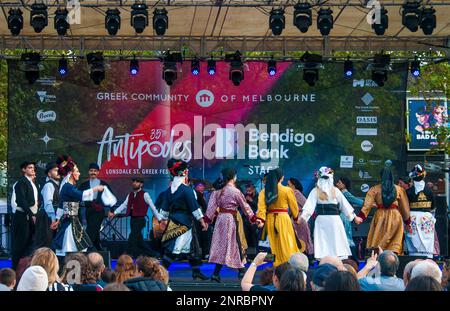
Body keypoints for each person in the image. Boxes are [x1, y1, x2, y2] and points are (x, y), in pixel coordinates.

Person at [159, 159, 209, 281]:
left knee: (192, 248)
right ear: (183, 172)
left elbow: (164, 208)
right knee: (174, 250)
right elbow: (194, 207)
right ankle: (160, 274)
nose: (187, 172)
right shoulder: (187, 190)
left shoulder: (168, 191)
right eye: (186, 170)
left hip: (175, 221)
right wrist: (202, 221)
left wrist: (163, 220)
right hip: (184, 223)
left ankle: (196, 271)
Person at [205, 168, 256, 282]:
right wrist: (253, 218)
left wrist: (207, 221)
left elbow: (210, 209)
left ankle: (216, 274)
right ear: (232, 177)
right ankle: (241, 271)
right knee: (236, 243)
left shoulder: (217, 192)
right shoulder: (235, 191)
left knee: (222, 245)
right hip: (231, 219)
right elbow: (245, 206)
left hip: (220, 220)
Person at [301, 167, 362, 260]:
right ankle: (325, 262)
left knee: (335, 242)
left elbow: (344, 206)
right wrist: (302, 219)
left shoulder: (335, 191)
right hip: (325, 221)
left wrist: (354, 217)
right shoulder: (316, 191)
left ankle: (335, 262)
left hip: (333, 221)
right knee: (324, 242)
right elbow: (308, 208)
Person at [51, 155, 105, 257]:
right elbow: (81, 196)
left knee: (74, 246)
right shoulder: (68, 187)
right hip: (70, 221)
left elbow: (61, 205)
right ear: (71, 173)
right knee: (71, 246)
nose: (79, 173)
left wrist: (57, 219)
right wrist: (95, 189)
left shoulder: (69, 187)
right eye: (77, 171)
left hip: (72, 220)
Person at [357, 160, 411, 254]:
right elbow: (404, 208)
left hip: (380, 216)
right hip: (395, 216)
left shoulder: (374, 189)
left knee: (379, 241)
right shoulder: (399, 189)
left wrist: (361, 217)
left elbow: (367, 205)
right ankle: (393, 261)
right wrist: (407, 222)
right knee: (395, 243)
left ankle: (378, 260)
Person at [256, 168, 301, 266]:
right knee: (287, 243)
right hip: (284, 219)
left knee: (273, 244)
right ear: (281, 178)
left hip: (270, 220)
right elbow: (294, 207)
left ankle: (276, 265)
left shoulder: (264, 192)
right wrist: (296, 219)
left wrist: (261, 220)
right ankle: (288, 264)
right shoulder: (287, 190)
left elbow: (261, 208)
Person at [109, 177, 161, 258]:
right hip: (133, 220)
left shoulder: (145, 194)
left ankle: (127, 256)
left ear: (141, 184)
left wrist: (159, 218)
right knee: (139, 241)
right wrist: (114, 213)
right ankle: (154, 254)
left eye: (137, 182)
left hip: (140, 220)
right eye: (134, 181)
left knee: (132, 238)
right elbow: (123, 205)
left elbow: (152, 207)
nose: (134, 183)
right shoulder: (130, 194)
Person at [79, 163, 114, 251]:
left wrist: (111, 210)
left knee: (91, 230)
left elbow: (111, 197)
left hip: (99, 211)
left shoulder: (103, 184)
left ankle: (86, 248)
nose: (93, 172)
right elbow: (78, 196)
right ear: (88, 172)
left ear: (98, 172)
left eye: (95, 171)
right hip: (88, 211)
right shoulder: (84, 185)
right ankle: (99, 248)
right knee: (94, 230)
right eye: (91, 171)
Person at [405, 164, 438, 258]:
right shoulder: (429, 191)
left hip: (412, 218)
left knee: (413, 243)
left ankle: (414, 260)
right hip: (426, 218)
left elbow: (405, 208)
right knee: (427, 242)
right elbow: (433, 207)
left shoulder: (408, 192)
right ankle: (428, 260)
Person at [12, 161, 38, 270]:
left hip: (29, 215)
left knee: (28, 243)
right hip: (22, 216)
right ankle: (14, 270)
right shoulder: (21, 182)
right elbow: (22, 201)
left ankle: (23, 268)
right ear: (24, 170)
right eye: (29, 168)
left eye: (33, 168)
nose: (32, 169)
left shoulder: (30, 182)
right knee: (20, 244)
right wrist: (31, 214)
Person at [336, 176, 364, 260]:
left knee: (347, 238)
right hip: (343, 217)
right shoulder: (340, 193)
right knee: (346, 238)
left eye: (339, 183)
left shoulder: (345, 193)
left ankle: (353, 259)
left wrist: (369, 203)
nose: (337, 184)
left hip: (344, 217)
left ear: (344, 185)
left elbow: (357, 201)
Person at [35, 162, 60, 250]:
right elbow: (48, 204)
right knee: (45, 243)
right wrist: (53, 219)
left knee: (52, 243)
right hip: (46, 217)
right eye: (56, 170)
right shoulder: (49, 185)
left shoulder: (58, 185)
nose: (58, 172)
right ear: (49, 174)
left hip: (51, 217)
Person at [287, 178, 313, 256]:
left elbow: (307, 205)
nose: (286, 186)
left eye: (288, 184)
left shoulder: (296, 193)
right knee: (300, 238)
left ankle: (308, 256)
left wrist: (301, 216)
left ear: (293, 186)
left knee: (303, 238)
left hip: (299, 219)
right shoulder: (291, 193)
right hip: (295, 219)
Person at [243, 183, 259, 249]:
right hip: (246, 220)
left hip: (254, 220)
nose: (248, 192)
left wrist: (251, 200)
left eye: (249, 191)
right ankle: (249, 255)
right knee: (247, 237)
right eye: (247, 191)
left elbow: (259, 207)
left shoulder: (258, 196)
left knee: (254, 238)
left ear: (253, 190)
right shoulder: (244, 196)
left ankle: (255, 255)